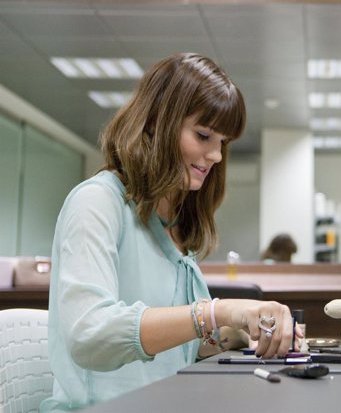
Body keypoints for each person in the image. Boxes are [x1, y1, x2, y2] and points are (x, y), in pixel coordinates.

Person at [42, 53, 297, 412]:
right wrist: (215, 312)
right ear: (156, 123)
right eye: (204, 135)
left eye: (222, 142)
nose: (216, 156)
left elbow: (177, 345)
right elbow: (90, 335)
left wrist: (246, 331)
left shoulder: (173, 219)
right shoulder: (96, 202)